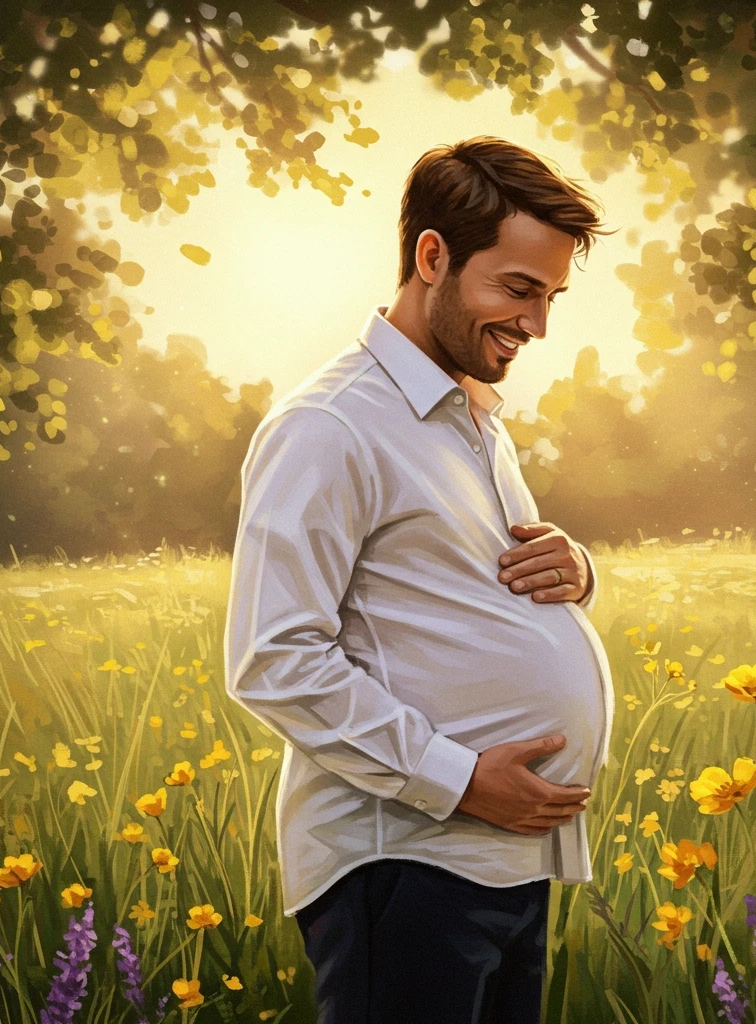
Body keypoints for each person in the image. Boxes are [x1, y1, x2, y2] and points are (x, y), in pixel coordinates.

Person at [224, 135, 615, 1024]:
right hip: (403, 867)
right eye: (518, 289)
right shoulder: (329, 425)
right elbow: (273, 659)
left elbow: (467, 595)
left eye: (551, 297)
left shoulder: (470, 416)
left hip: (507, 862)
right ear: (432, 256)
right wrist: (460, 778)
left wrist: (577, 573)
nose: (537, 325)